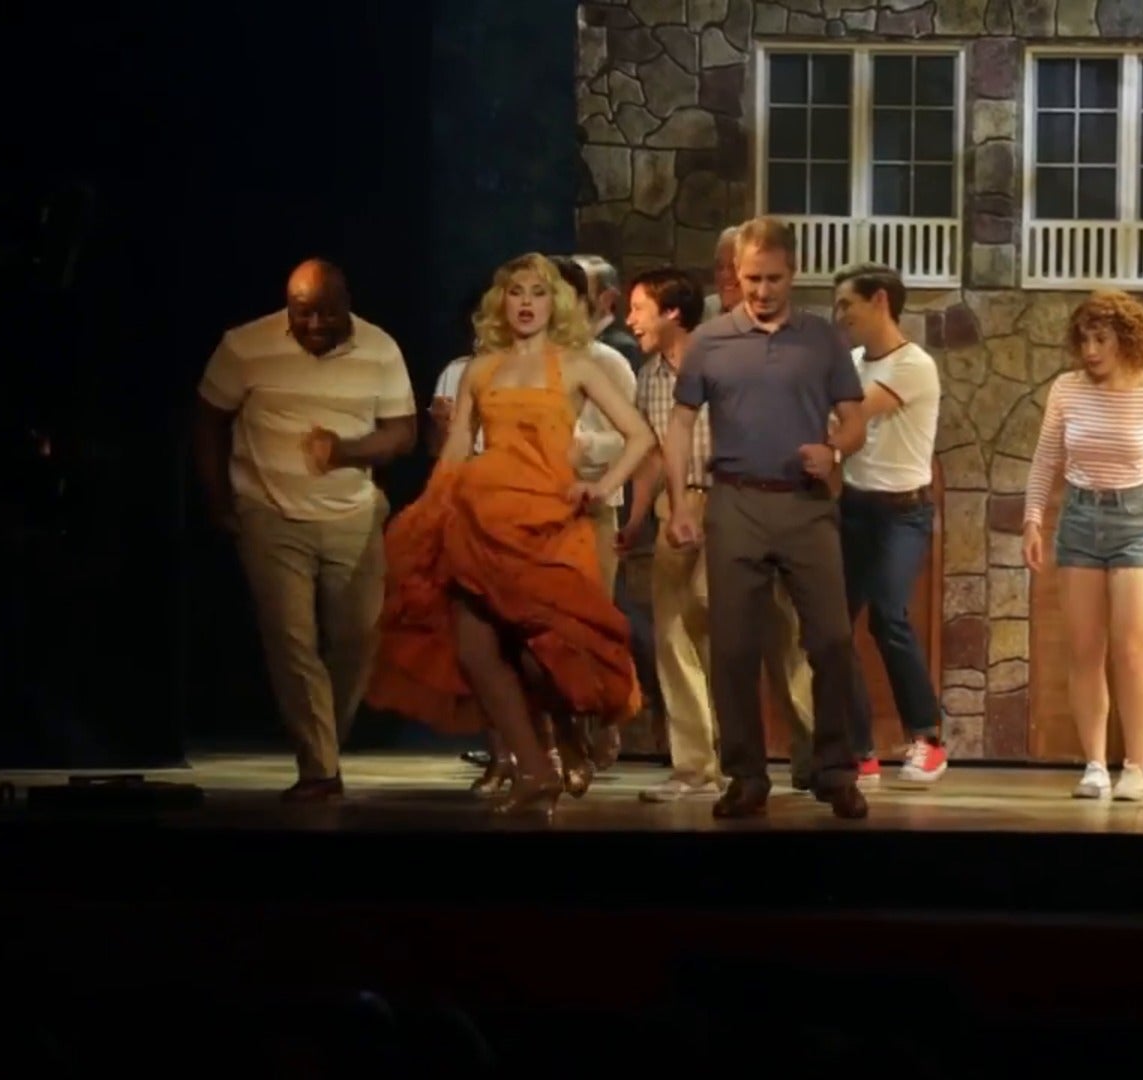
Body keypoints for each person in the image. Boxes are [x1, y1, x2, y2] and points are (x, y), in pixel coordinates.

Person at [366, 252, 656, 818]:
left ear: (557, 303)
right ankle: (535, 771)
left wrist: (601, 487)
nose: (526, 303)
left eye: (538, 292)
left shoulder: (577, 366)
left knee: (541, 653)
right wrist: (433, 510)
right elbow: (457, 448)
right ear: (502, 301)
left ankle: (569, 735)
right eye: (517, 292)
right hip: (481, 518)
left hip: (549, 522)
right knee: (476, 651)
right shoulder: (481, 369)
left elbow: (640, 436)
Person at [661, 217, 871, 820]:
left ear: (793, 274)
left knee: (831, 639)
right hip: (735, 502)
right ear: (736, 273)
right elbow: (680, 424)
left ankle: (835, 769)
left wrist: (833, 451)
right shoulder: (710, 341)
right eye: (752, 278)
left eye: (773, 278)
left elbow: (855, 420)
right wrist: (680, 503)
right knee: (733, 646)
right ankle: (746, 775)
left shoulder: (822, 339)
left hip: (806, 505)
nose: (761, 290)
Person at [193, 258, 418, 801]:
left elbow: (402, 434)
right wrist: (219, 499)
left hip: (353, 515)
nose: (315, 323)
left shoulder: (380, 349)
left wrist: (345, 451)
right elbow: (206, 421)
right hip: (269, 513)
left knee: (358, 638)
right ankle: (320, 770)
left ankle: (323, 746)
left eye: (327, 313)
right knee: (292, 642)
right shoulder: (245, 346)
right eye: (303, 312)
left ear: (347, 306)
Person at [621, 265, 821, 803]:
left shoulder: (726, 359)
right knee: (672, 631)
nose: (629, 320)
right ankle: (695, 766)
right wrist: (638, 517)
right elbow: (654, 454)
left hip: (739, 500)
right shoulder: (649, 377)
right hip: (676, 504)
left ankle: (816, 751)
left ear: (671, 312)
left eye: (639, 309)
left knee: (774, 628)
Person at [1022, 289, 1143, 803]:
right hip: (1080, 519)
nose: (1091, 351)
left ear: (1126, 340)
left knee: (1131, 648)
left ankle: (1135, 766)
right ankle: (1094, 765)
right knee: (1085, 649)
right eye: (1084, 340)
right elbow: (1046, 459)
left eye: (1102, 340)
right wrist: (1032, 520)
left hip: (1137, 522)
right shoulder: (1066, 390)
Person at [829, 262, 948, 785]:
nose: (840, 316)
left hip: (903, 513)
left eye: (847, 305)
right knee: (832, 627)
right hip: (855, 508)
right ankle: (860, 749)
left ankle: (928, 738)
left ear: (880, 301)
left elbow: (851, 418)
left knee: (887, 615)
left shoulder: (914, 365)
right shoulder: (854, 361)